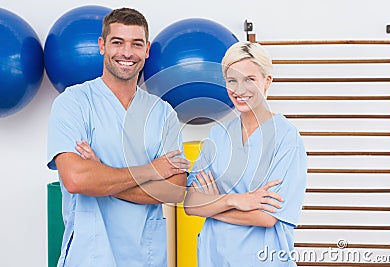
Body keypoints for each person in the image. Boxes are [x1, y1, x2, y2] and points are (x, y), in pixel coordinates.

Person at [47, 8, 190, 267]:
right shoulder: (73, 103)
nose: (126, 53)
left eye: (136, 44)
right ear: (102, 46)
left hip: (146, 256)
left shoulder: (162, 113)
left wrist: (101, 173)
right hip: (89, 255)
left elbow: (175, 189)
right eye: (117, 42)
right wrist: (151, 170)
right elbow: (76, 179)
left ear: (146, 49)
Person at [184, 41, 307, 266]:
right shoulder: (218, 135)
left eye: (250, 79)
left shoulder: (287, 139)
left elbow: (267, 217)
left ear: (267, 81)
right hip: (214, 258)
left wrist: (213, 205)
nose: (240, 90)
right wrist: (236, 200)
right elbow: (191, 204)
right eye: (232, 80)